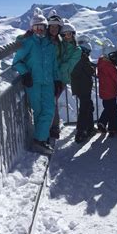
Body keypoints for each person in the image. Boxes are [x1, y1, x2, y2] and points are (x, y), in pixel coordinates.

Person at [12, 9, 60, 155]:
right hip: (34, 82)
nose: (39, 30)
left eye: (41, 27)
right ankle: (41, 140)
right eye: (36, 27)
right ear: (32, 28)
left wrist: (57, 80)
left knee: (49, 110)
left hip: (48, 82)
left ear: (45, 28)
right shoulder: (28, 43)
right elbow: (17, 61)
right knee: (39, 111)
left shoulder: (49, 44)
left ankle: (40, 140)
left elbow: (54, 65)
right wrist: (25, 73)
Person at [71, 34, 95, 143]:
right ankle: (81, 132)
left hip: (81, 87)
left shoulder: (77, 57)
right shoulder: (83, 58)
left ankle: (89, 128)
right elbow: (90, 71)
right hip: (83, 87)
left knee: (88, 106)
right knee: (85, 109)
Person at [47, 9, 65, 140]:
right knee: (49, 103)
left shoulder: (60, 41)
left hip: (57, 77)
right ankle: (50, 128)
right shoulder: (42, 39)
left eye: (56, 27)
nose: (54, 29)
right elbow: (20, 40)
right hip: (46, 76)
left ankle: (53, 128)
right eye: (51, 26)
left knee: (53, 103)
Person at [97, 39, 117, 137]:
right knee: (112, 110)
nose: (114, 58)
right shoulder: (110, 66)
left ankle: (103, 124)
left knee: (108, 108)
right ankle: (111, 128)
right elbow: (116, 78)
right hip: (111, 91)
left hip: (103, 91)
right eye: (113, 56)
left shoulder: (101, 63)